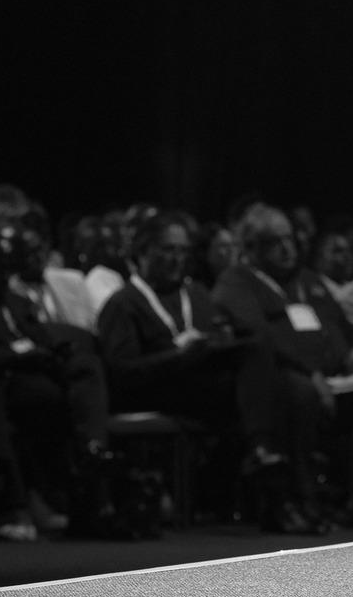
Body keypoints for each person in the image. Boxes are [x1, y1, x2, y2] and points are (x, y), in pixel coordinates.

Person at [213, 203, 353, 530]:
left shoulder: (308, 280)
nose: (287, 249)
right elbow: (259, 338)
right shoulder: (236, 282)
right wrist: (311, 373)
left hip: (341, 380)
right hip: (289, 379)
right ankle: (304, 497)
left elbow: (345, 323)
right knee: (300, 392)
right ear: (251, 248)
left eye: (290, 240)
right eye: (275, 242)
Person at [96, 212, 297, 524]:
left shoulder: (196, 294)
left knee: (267, 366)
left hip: (200, 385)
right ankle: (264, 472)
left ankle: (273, 478)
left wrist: (219, 340)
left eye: (182, 252)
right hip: (157, 389)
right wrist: (182, 355)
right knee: (260, 396)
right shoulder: (123, 304)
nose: (176, 260)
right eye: (167, 250)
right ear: (143, 252)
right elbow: (122, 374)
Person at [0, 226, 113, 539]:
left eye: (7, 270)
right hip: (2, 377)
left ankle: (93, 445)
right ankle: (40, 494)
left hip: (37, 368)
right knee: (44, 397)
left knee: (87, 365)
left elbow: (39, 337)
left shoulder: (17, 301)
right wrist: (16, 358)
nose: (2, 277)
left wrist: (50, 351)